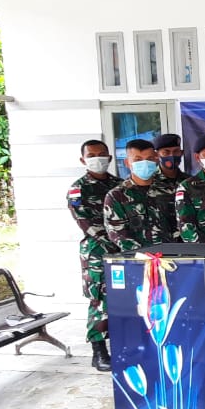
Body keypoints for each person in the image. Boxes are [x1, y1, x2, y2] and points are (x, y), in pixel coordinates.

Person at [68, 139, 121, 372]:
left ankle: (122, 345)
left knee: (124, 298)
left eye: (101, 154)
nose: (97, 158)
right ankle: (99, 352)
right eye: (91, 155)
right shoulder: (78, 189)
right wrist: (117, 242)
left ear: (109, 157)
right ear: (83, 160)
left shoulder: (119, 185)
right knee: (100, 301)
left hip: (123, 251)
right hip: (97, 253)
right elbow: (85, 223)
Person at [105, 139, 178, 250]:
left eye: (149, 159)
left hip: (171, 254)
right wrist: (144, 254)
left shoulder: (170, 190)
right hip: (137, 256)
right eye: (138, 159)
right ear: (127, 163)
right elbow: (117, 233)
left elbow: (180, 223)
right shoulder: (116, 196)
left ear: (156, 160)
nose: (145, 163)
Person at [150, 134, 187, 226]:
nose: (172, 156)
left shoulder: (189, 182)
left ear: (182, 153)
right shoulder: (149, 181)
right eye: (166, 152)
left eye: (176, 151)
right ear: (156, 155)